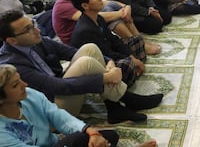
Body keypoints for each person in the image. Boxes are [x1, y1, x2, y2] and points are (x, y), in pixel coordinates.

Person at [0, 10, 159, 123]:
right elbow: (56, 86)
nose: (36, 30)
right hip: (50, 111)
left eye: (32, 23)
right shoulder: (12, 64)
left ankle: (115, 107)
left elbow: (71, 51)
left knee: (89, 48)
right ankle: (127, 100)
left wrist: (109, 62)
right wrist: (105, 77)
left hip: (59, 91)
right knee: (85, 63)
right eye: (28, 29)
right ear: (12, 40)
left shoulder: (34, 40)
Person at [0, 64, 122, 147]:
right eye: (15, 85)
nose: (24, 85)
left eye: (20, 80)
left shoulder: (30, 95)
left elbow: (58, 116)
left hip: (56, 144)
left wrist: (91, 132)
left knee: (108, 136)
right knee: (76, 140)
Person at [70, 0, 161, 90]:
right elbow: (106, 54)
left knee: (137, 40)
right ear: (85, 5)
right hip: (102, 63)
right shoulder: (85, 30)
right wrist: (131, 60)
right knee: (126, 64)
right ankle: (127, 77)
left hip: (109, 53)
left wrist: (131, 56)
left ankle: (134, 70)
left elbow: (114, 40)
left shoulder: (98, 18)